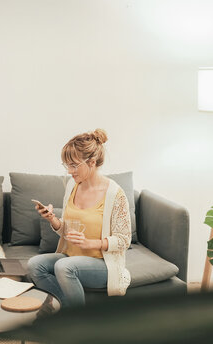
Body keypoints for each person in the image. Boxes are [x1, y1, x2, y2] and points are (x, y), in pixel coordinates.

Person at [27, 129, 131, 308]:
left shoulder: (115, 194)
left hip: (103, 264)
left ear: (91, 162)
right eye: (66, 165)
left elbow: (124, 240)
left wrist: (91, 243)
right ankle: (67, 310)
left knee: (64, 267)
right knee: (34, 265)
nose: (69, 171)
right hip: (71, 256)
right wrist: (53, 219)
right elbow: (67, 230)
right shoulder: (72, 186)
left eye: (74, 165)